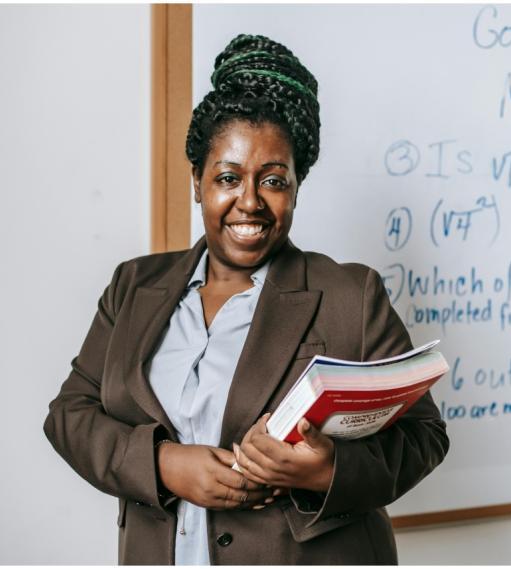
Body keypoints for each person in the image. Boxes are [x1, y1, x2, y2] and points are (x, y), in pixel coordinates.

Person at [43, 34, 449, 565]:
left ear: (297, 185)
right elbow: (69, 414)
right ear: (197, 181)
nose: (250, 202)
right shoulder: (133, 287)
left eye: (274, 180)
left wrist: (325, 470)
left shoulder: (352, 295)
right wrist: (163, 465)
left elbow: (425, 436)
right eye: (228, 178)